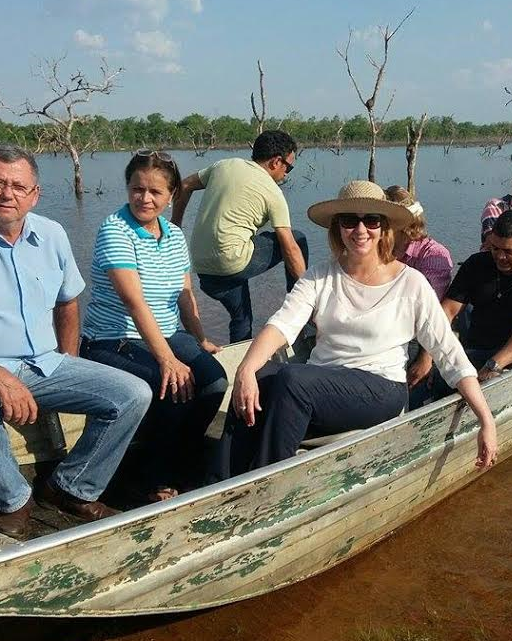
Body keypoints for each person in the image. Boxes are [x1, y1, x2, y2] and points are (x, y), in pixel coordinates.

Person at [0, 145, 152, 539]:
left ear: (34, 194)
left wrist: (68, 360)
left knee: (133, 393)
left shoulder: (51, 234)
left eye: (19, 186)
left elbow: (68, 302)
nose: (8, 194)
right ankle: (14, 497)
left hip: (42, 364)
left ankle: (71, 487)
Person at [212, 180, 497, 482]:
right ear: (338, 228)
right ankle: (217, 484)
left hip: (380, 388)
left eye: (371, 220)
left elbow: (449, 354)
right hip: (320, 384)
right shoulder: (321, 275)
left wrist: (486, 420)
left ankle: (265, 486)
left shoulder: (411, 283)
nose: (360, 230)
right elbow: (282, 324)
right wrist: (245, 369)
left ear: (384, 228)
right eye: (350, 221)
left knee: (292, 380)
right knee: (259, 379)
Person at [80, 150, 228, 502]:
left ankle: (183, 455)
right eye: (137, 189)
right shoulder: (115, 231)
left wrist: (200, 339)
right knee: (173, 388)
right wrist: (167, 360)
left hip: (167, 334)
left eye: (155, 192)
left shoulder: (174, 236)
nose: (144, 198)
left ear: (171, 195)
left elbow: (185, 293)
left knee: (214, 382)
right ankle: (152, 476)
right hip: (113, 339)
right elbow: (135, 302)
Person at [171, 130, 309, 343]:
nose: (287, 174)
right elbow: (290, 248)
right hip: (232, 263)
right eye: (288, 167)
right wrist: (308, 296)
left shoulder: (223, 165)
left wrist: (175, 227)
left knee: (242, 318)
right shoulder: (273, 192)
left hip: (203, 270)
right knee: (298, 239)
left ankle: (239, 359)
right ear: (275, 162)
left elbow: (185, 185)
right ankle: (300, 310)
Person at [409, 209, 512, 392]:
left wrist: (494, 365)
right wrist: (427, 355)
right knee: (439, 378)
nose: (500, 257)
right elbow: (447, 311)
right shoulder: (476, 264)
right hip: (479, 351)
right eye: (495, 248)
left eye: (509, 251)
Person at [384, 185, 453, 300]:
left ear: (403, 223)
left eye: (380, 220)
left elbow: (427, 306)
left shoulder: (434, 255)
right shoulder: (377, 249)